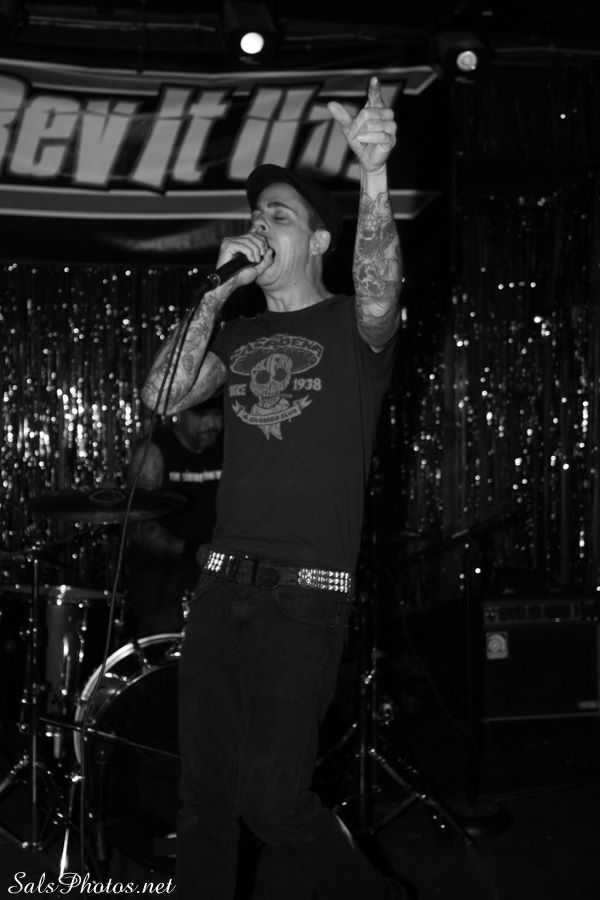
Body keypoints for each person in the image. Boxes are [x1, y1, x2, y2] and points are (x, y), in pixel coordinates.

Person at [141, 75, 409, 900]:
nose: (261, 225)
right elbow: (161, 396)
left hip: (304, 595)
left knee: (271, 799)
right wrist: (219, 288)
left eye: (280, 216)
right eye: (256, 215)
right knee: (204, 801)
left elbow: (381, 290)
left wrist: (372, 174)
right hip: (222, 586)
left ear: (319, 240)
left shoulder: (351, 324)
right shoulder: (241, 333)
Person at [124, 398, 223, 637]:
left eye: (217, 414)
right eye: (201, 415)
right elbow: (137, 526)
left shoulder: (227, 447)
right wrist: (191, 550)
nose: (211, 423)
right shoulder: (153, 452)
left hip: (214, 571)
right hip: (164, 573)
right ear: (180, 412)